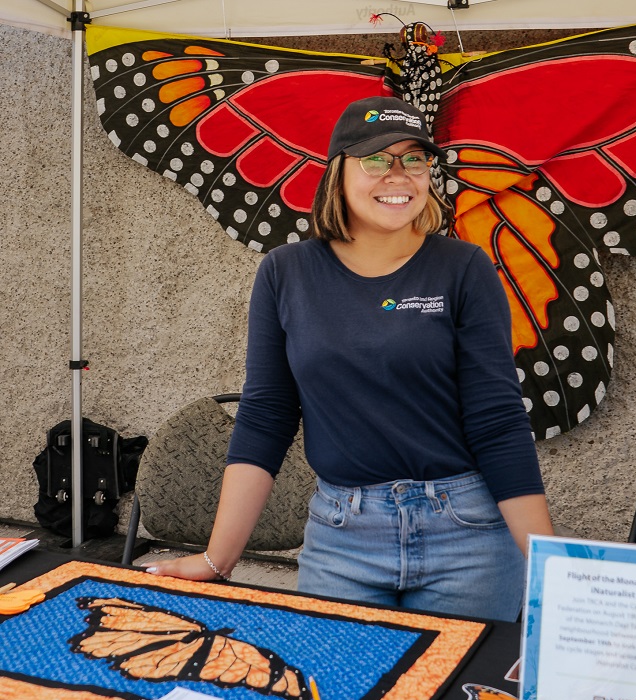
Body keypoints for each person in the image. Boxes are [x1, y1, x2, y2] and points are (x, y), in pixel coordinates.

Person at [143, 96, 554, 621]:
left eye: (414, 159)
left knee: (455, 697)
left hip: (467, 537)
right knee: (331, 694)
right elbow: (267, 415)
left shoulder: (463, 268)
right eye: (378, 160)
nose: (398, 175)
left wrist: (552, 567)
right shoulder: (286, 272)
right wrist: (217, 559)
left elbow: (497, 418)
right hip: (343, 540)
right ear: (339, 173)